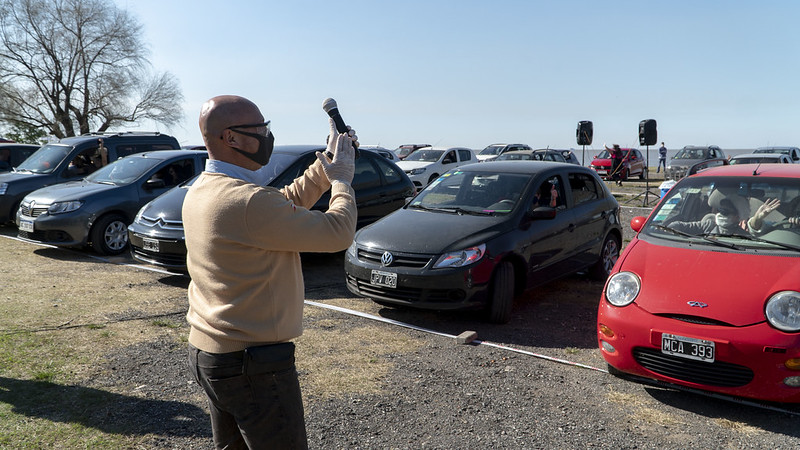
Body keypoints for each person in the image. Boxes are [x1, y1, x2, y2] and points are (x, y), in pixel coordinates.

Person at [183, 95, 357, 449]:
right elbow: (338, 232)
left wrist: (325, 168)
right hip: (253, 364)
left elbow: (280, 206)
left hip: (212, 353)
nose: (267, 135)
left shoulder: (205, 189)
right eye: (260, 129)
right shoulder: (247, 201)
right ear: (230, 137)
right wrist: (342, 181)